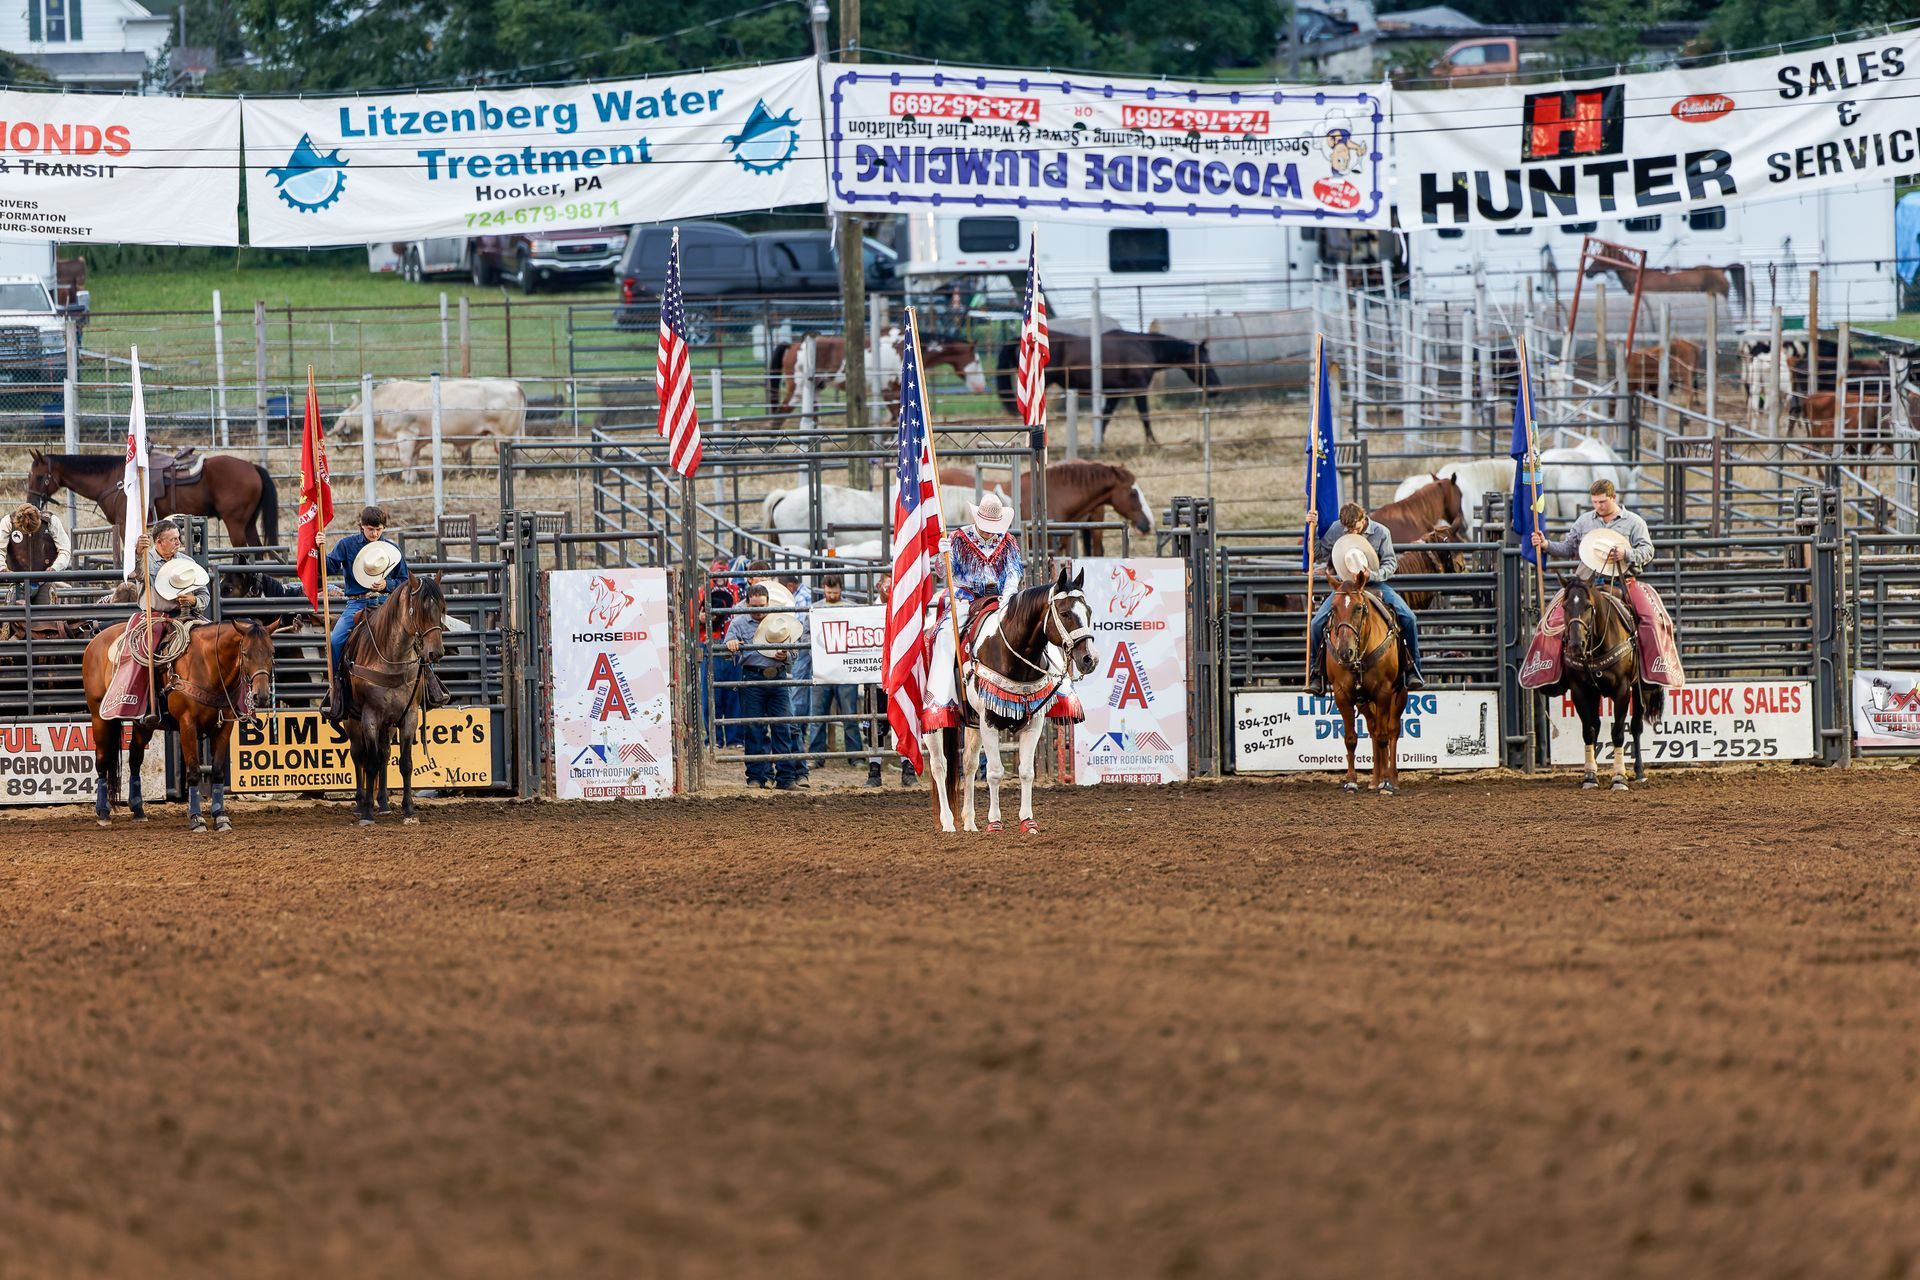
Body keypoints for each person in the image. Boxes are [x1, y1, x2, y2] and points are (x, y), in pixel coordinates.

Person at [1528, 478, 1683, 687]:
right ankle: (1551, 674)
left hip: (1622, 581)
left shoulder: (1634, 522)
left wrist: (1626, 554)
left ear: (1613, 497)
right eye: (1594, 502)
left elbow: (1648, 551)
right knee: (1553, 619)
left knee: (1650, 619)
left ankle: (1653, 673)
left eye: (1602, 502)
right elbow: (1568, 547)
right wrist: (1546, 544)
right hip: (1585, 584)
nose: (1598, 507)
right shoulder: (1584, 521)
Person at [323, 506, 447, 723]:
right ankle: (338, 687)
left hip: (387, 604)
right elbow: (328, 567)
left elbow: (405, 581)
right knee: (335, 640)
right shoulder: (346, 545)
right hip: (357, 603)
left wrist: (386, 585)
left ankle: (428, 680)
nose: (374, 534)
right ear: (362, 526)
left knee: (416, 632)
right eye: (370, 529)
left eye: (378, 529)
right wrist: (318, 549)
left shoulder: (392, 549)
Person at [924, 493, 1022, 730]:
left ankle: (1046, 688)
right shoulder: (958, 538)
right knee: (947, 634)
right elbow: (944, 572)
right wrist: (942, 557)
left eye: (994, 527)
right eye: (986, 526)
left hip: (1000, 598)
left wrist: (1009, 597)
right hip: (964, 597)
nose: (990, 532)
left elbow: (1014, 572)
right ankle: (939, 697)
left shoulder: (1007, 541)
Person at [1307, 502, 1426, 695]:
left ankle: (1413, 669)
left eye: (1354, 527)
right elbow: (1319, 553)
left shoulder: (1381, 532)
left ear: (1364, 519)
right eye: (1347, 529)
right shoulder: (1339, 528)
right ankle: (1316, 672)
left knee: (1408, 617)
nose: (1350, 531)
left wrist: (1373, 575)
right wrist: (1311, 528)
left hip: (1374, 584)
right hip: (1346, 586)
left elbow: (1390, 563)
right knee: (1316, 623)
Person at [103, 520, 209, 721]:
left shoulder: (187, 562)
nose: (178, 543)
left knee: (212, 641)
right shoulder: (146, 559)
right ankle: (144, 703)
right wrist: (137, 553)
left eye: (178, 538)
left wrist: (194, 600)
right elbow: (138, 574)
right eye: (173, 539)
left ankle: (218, 702)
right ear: (159, 542)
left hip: (187, 614)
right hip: (155, 617)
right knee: (145, 653)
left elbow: (204, 593)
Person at [723, 584, 805, 790]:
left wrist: (786, 656)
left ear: (768, 603)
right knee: (754, 729)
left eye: (762, 605)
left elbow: (795, 651)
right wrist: (731, 645)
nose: (758, 610)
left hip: (777, 677)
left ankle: (784, 777)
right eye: (754, 606)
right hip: (753, 678)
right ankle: (757, 777)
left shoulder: (779, 620)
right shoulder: (739, 623)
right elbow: (726, 647)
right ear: (747, 603)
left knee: (782, 728)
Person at [807, 574, 880, 785]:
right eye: (829, 592)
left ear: (840, 590)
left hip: (843, 669)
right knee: (818, 715)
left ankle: (854, 756)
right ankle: (816, 756)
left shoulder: (847, 608)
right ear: (823, 589)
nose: (831, 595)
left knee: (848, 714)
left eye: (834, 592)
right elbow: (805, 635)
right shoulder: (818, 609)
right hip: (825, 669)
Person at [0, 503, 71, 605]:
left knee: (47, 617)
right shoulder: (8, 522)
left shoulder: (51, 521)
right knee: (12, 616)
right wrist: (2, 568)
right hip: (17, 582)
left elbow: (65, 549)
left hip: (44, 581)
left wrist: (55, 567)